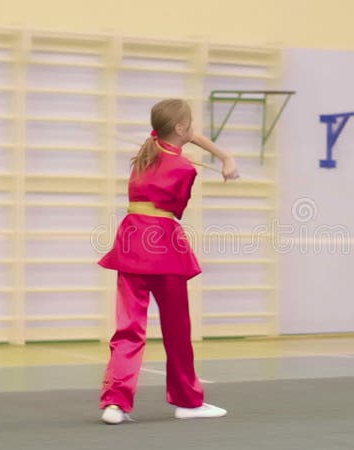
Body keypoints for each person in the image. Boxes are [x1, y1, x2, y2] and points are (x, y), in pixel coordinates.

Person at [97, 99, 239, 424]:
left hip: (132, 243)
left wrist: (226, 156)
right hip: (162, 247)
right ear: (179, 128)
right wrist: (225, 160)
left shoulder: (142, 158)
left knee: (128, 328)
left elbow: (189, 138)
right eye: (190, 124)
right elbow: (176, 209)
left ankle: (115, 404)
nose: (194, 129)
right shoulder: (185, 169)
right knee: (177, 329)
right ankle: (187, 401)